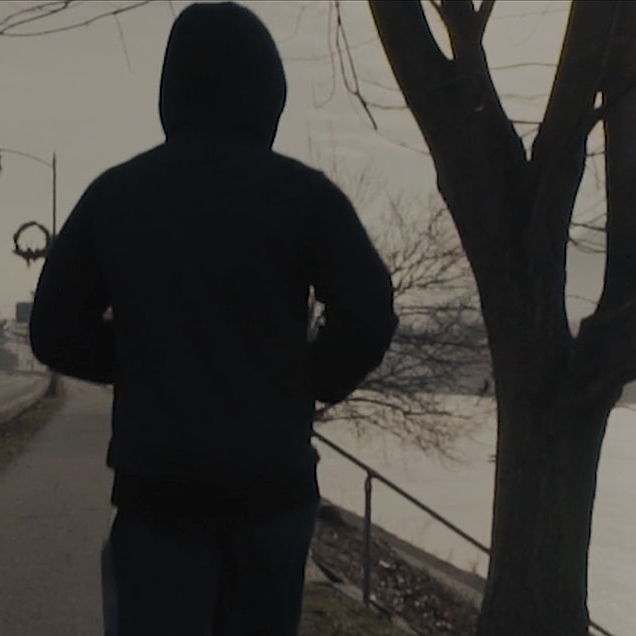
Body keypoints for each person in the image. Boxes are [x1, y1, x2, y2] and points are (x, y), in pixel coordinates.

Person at [28, 2, 397, 634]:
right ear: (269, 94)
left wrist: (140, 357)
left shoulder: (117, 194)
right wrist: (302, 380)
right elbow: (369, 313)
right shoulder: (306, 197)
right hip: (271, 491)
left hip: (158, 497)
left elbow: (54, 330)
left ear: (171, 91)